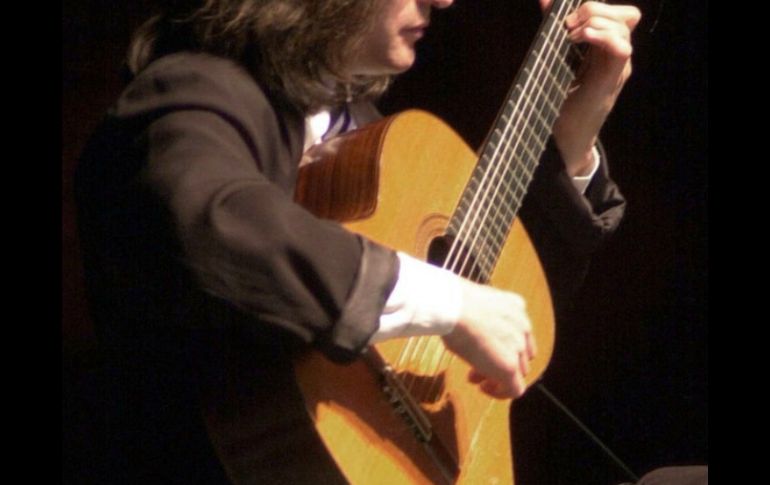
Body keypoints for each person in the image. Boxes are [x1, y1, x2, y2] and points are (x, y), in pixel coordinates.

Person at [74, 0, 639, 483]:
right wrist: (451, 303)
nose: (445, 1)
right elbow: (213, 222)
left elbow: (508, 303)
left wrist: (575, 127)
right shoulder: (196, 89)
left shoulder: (369, 136)